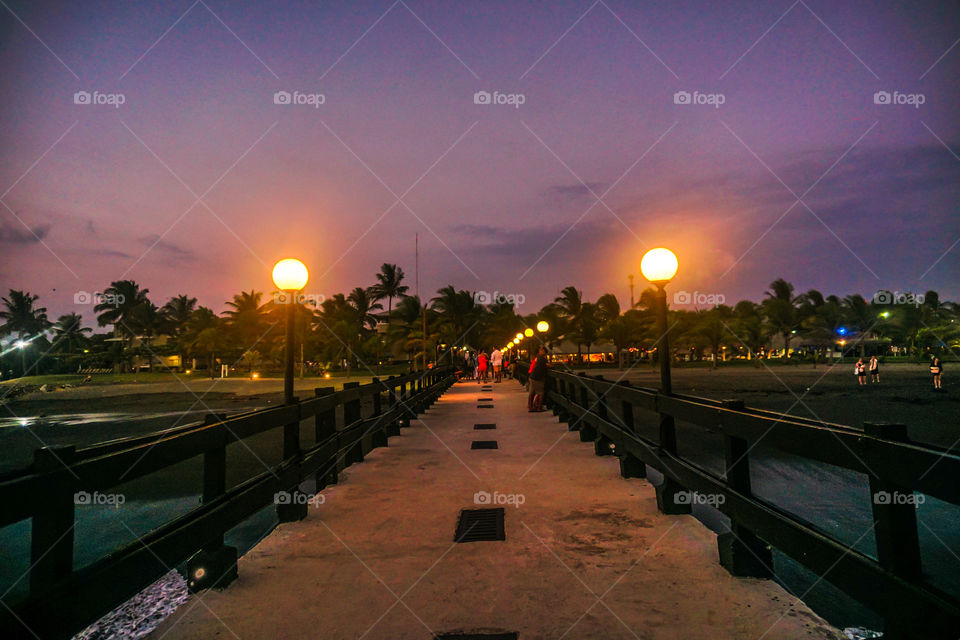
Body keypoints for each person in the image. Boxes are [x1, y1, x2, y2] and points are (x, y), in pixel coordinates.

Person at [528, 346, 549, 411]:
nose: (543, 352)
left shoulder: (537, 358)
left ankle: (531, 407)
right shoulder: (542, 359)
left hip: (532, 377)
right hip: (538, 378)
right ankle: (539, 407)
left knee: (531, 392)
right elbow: (548, 365)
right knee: (540, 393)